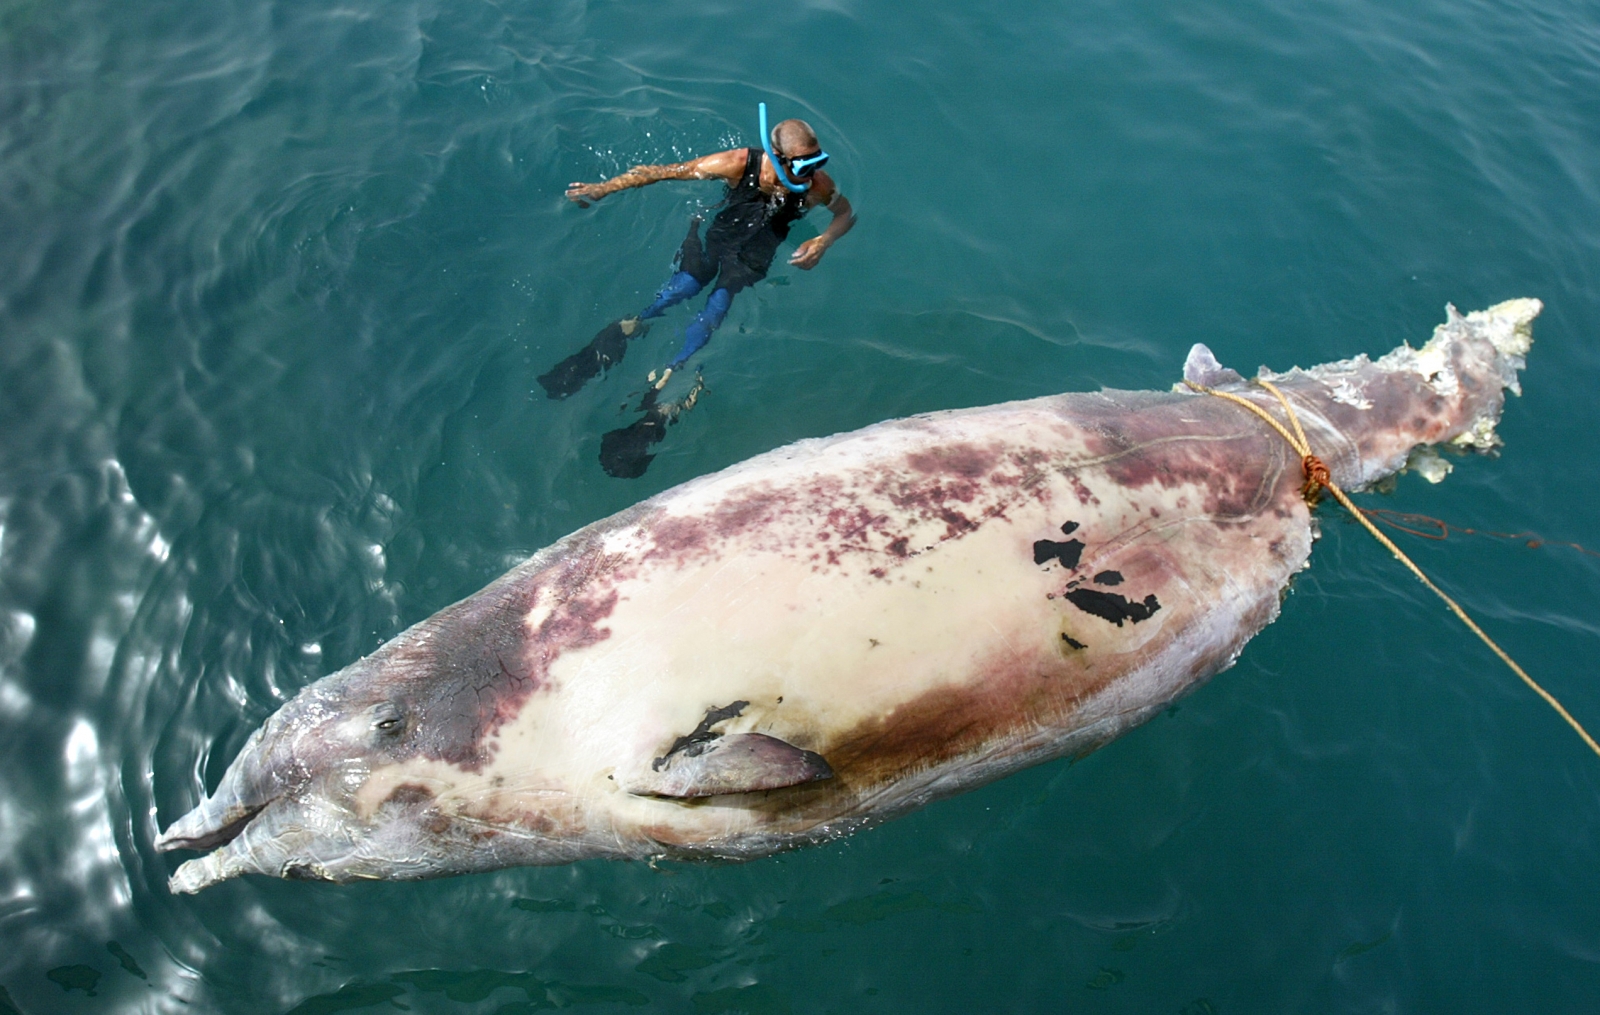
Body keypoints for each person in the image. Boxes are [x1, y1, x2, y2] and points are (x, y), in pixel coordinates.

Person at [540, 105, 855, 405]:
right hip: (721, 238)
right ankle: (631, 325)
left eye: (819, 161)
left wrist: (824, 240)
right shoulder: (738, 163)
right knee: (684, 287)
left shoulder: (818, 186)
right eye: (804, 165)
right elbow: (665, 172)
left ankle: (673, 370)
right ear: (777, 156)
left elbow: (845, 213)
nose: (812, 174)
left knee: (717, 306)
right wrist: (604, 188)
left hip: (754, 256)